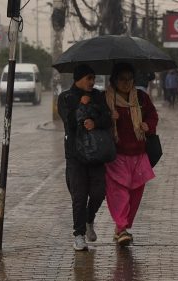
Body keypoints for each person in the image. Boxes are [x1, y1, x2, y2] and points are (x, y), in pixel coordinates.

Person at [58, 64, 112, 251]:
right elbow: (69, 123)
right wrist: (82, 105)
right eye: (89, 78)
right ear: (78, 78)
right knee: (79, 196)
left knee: (99, 192)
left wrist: (95, 122)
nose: (92, 82)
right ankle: (79, 234)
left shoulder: (99, 96)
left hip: (97, 154)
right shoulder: (65, 98)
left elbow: (107, 119)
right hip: (75, 155)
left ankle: (89, 219)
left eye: (93, 78)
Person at [104, 62, 158, 247]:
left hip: (139, 153)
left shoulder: (141, 98)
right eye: (122, 79)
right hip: (116, 154)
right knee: (119, 192)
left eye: (129, 79)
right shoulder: (106, 99)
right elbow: (96, 118)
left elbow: (152, 115)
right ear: (114, 80)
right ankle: (122, 227)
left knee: (135, 192)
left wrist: (148, 126)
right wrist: (108, 118)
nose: (126, 83)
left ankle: (122, 227)